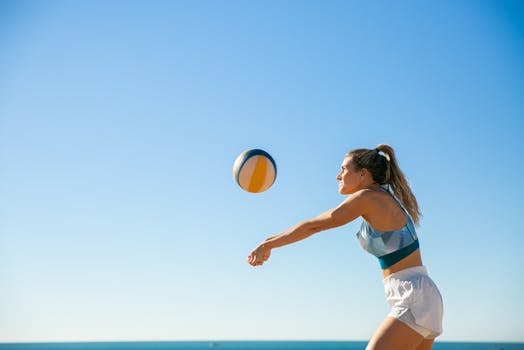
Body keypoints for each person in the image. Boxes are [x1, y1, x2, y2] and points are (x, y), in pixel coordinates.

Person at [247, 144, 443, 350]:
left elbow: (315, 225)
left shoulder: (368, 197)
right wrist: (268, 241)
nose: (337, 176)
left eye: (343, 169)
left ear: (362, 174)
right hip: (419, 295)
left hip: (414, 296)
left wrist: (269, 244)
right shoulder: (379, 198)